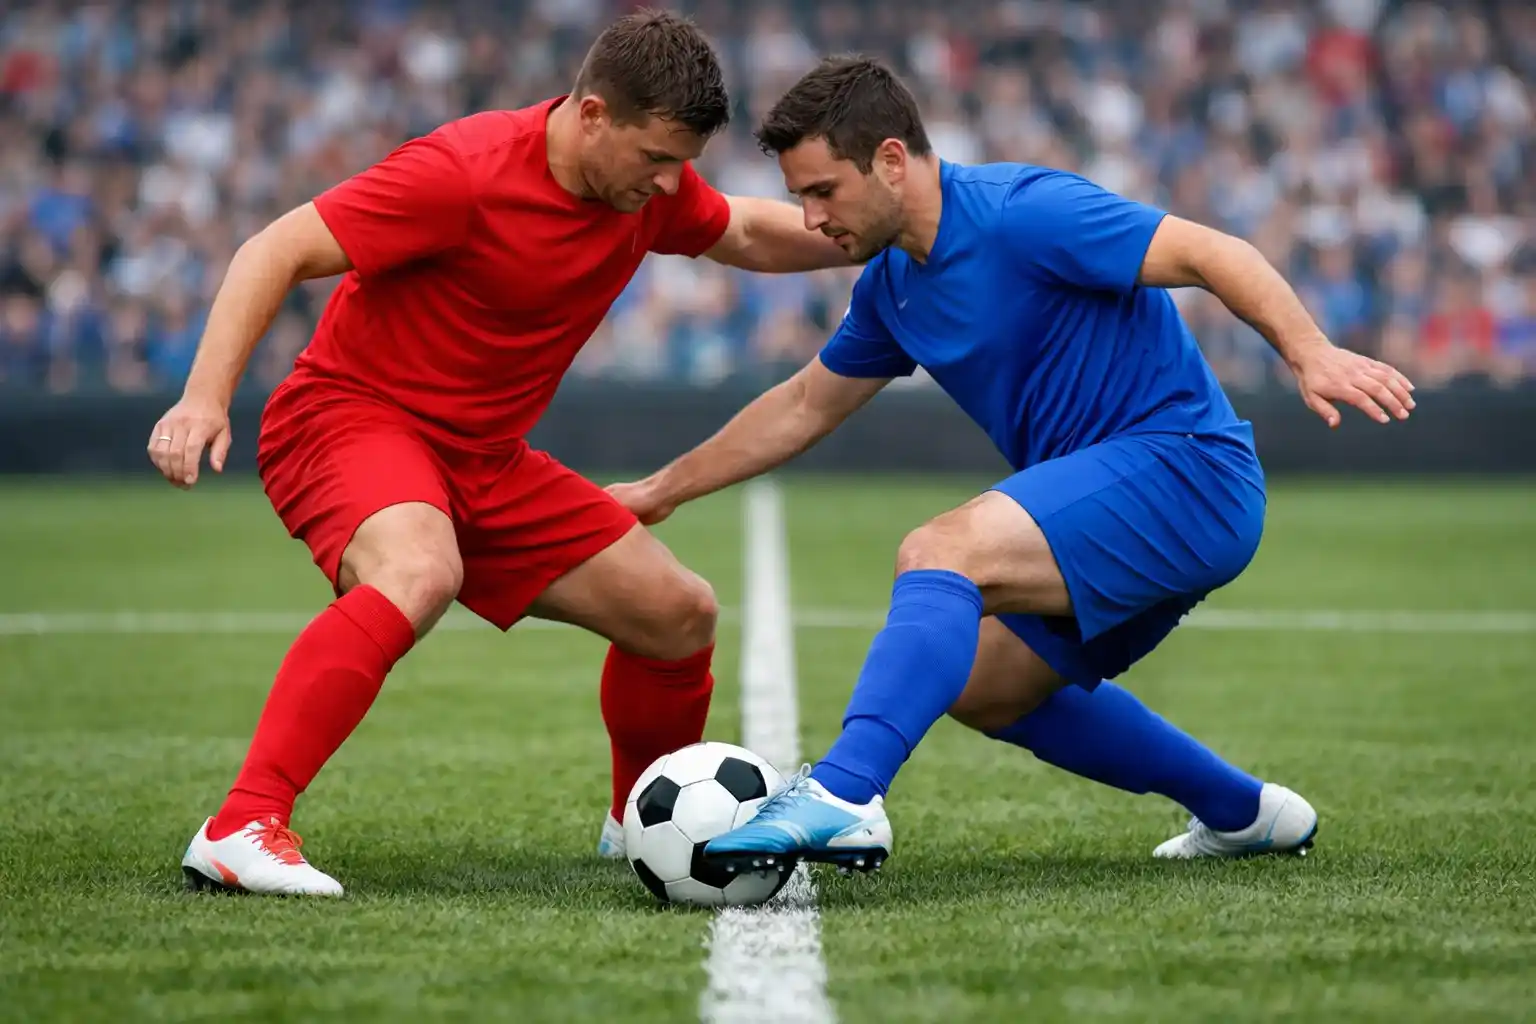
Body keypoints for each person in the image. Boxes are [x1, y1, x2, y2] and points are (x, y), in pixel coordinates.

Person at [607, 56, 1417, 875]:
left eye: (823, 192)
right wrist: (660, 491)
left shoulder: (1023, 212)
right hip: (1127, 503)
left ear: (891, 160)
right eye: (800, 198)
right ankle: (1246, 813)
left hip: (1189, 474)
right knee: (985, 685)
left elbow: (1215, 252)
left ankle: (847, 793)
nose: (812, 221)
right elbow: (806, 404)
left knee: (941, 550)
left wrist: (1308, 352)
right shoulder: (893, 286)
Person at [150, 11, 852, 897]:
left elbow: (746, 232)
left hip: (484, 459)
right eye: (655, 158)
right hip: (351, 418)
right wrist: (204, 397)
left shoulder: (649, 188)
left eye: (684, 164)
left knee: (678, 613)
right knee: (418, 571)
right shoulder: (463, 172)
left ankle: (634, 819)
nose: (671, 182)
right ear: (593, 114)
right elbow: (275, 248)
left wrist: (876, 238)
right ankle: (241, 824)